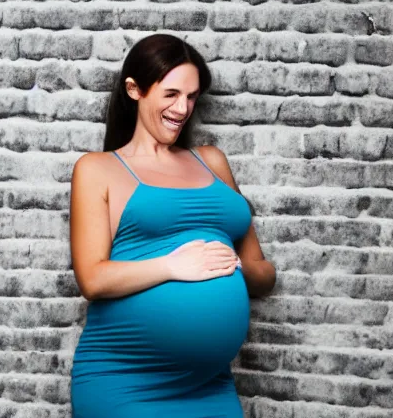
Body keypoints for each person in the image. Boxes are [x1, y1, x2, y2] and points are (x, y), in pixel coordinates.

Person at [69, 33, 276, 417]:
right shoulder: (98, 169)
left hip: (209, 385)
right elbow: (92, 280)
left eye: (192, 96)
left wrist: (228, 268)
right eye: (171, 94)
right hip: (125, 381)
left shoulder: (211, 162)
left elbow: (264, 275)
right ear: (135, 90)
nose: (183, 108)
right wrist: (174, 266)